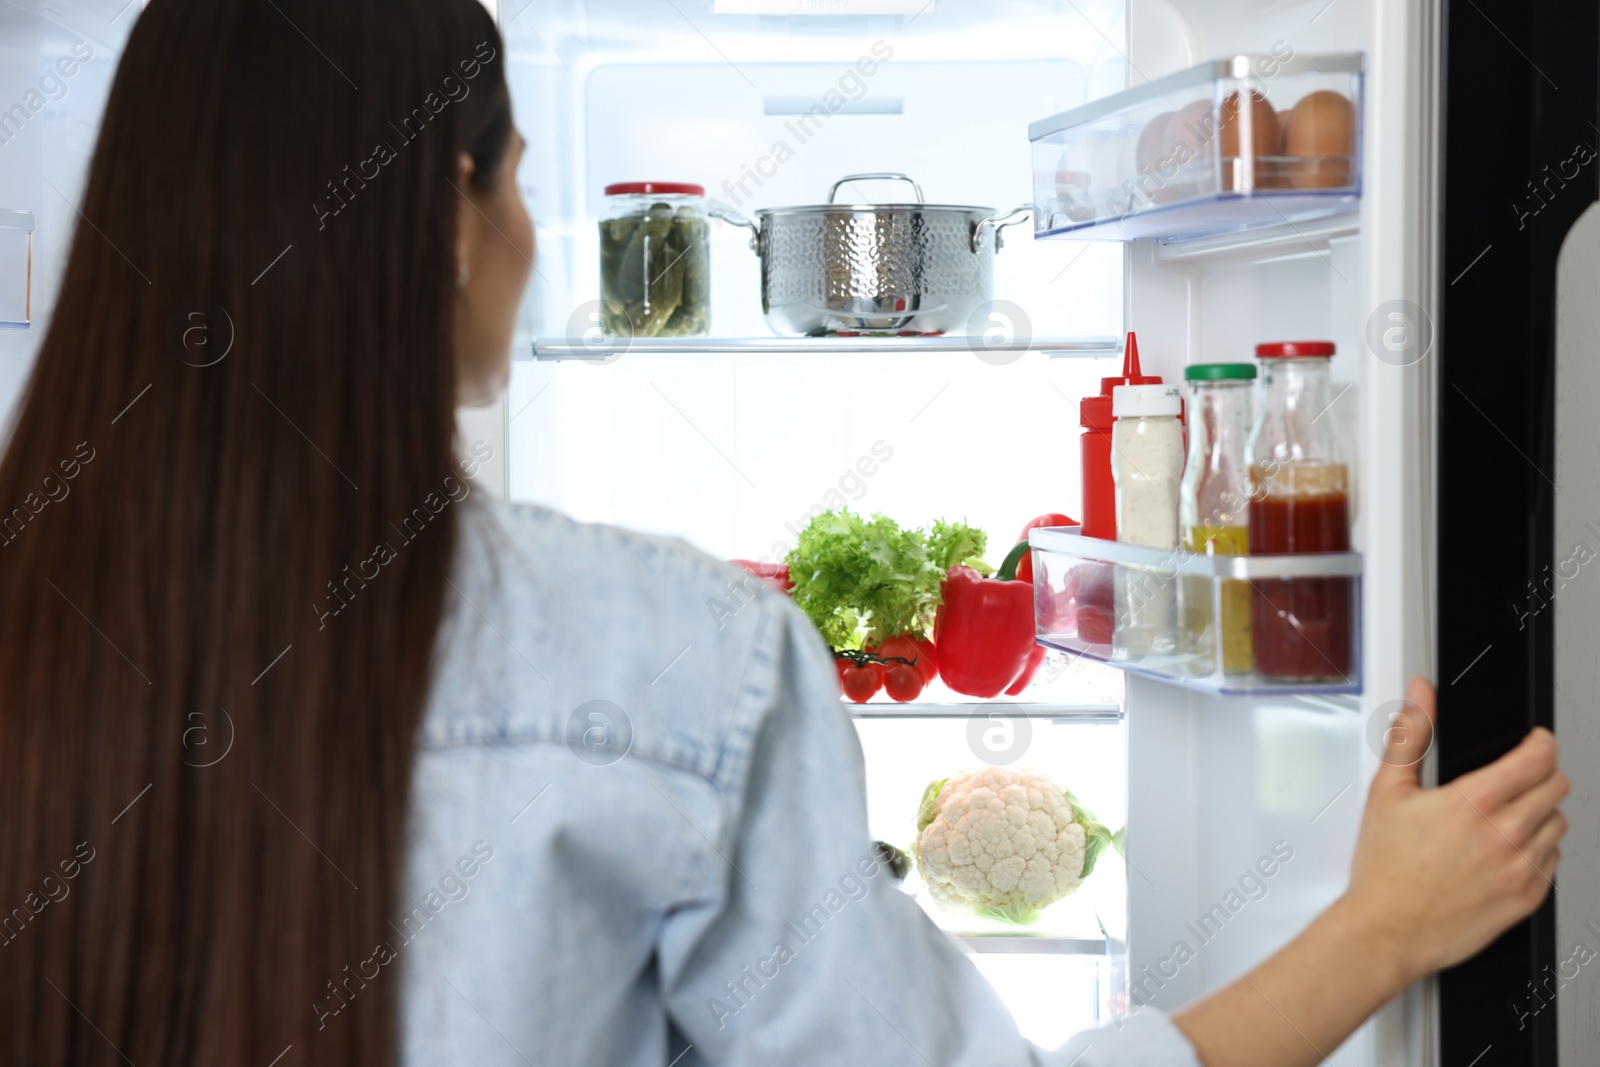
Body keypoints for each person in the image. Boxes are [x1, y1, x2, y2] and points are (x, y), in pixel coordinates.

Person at [0, 1, 1566, 1065]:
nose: (536, 246)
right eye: (524, 188)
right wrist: (1376, 930)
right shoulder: (679, 660)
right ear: (448, 208)